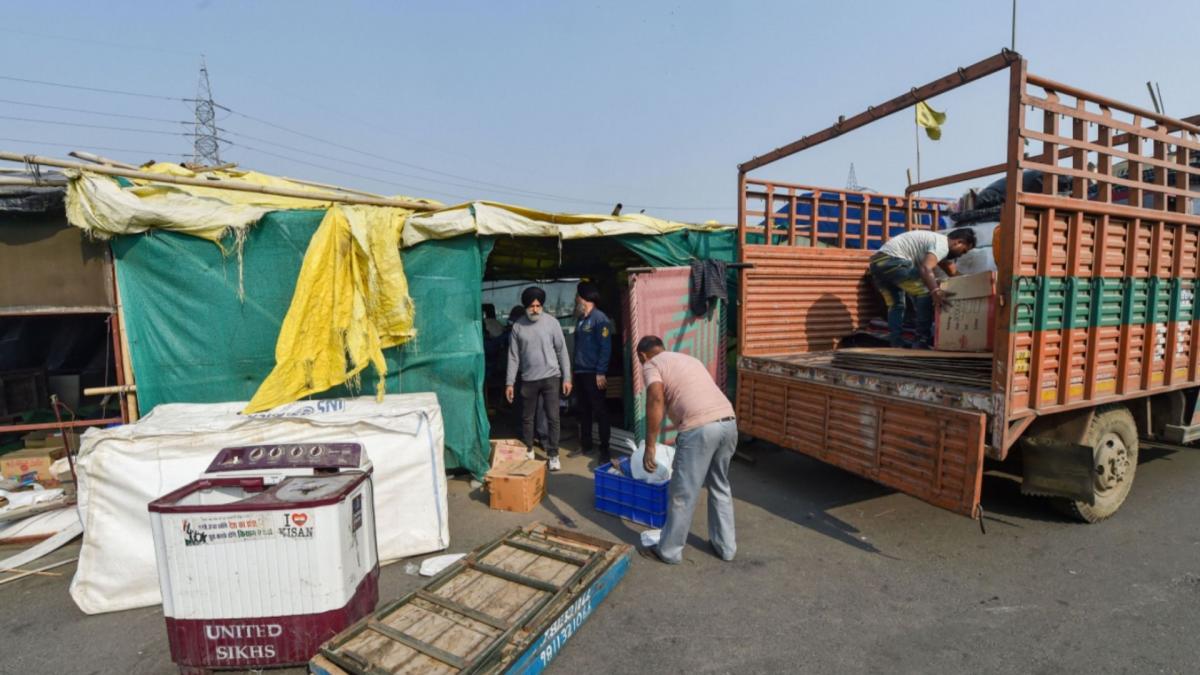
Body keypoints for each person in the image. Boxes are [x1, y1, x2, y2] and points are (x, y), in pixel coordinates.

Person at [635, 335, 737, 565]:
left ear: (642, 356)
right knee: (720, 485)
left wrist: (650, 445)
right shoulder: (688, 359)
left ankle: (669, 551)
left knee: (683, 492)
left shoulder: (652, 364)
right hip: (728, 421)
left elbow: (655, 399)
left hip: (700, 428)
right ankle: (726, 547)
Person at [869, 228, 976, 348]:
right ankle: (921, 340)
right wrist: (935, 291)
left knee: (896, 305)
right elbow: (925, 268)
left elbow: (953, 272)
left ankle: (896, 342)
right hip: (893, 262)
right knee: (925, 292)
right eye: (964, 251)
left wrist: (974, 284)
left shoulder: (938, 246)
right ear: (958, 242)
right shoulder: (942, 245)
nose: (961, 255)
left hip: (877, 264)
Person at [506, 287, 572, 471]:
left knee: (553, 417)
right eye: (532, 306)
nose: (535, 309)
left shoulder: (552, 323)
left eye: (538, 305)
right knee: (527, 418)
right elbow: (513, 357)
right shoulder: (518, 327)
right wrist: (509, 383)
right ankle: (528, 450)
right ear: (526, 306)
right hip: (528, 379)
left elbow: (562, 351)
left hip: (551, 378)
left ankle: (553, 454)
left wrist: (567, 377)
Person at [572, 282, 615, 467]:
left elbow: (606, 347)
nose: (575, 300)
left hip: (594, 373)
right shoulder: (581, 319)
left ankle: (605, 448)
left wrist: (601, 372)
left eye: (577, 296)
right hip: (580, 371)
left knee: (600, 411)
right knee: (584, 411)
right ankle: (586, 445)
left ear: (584, 298)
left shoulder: (600, 318)